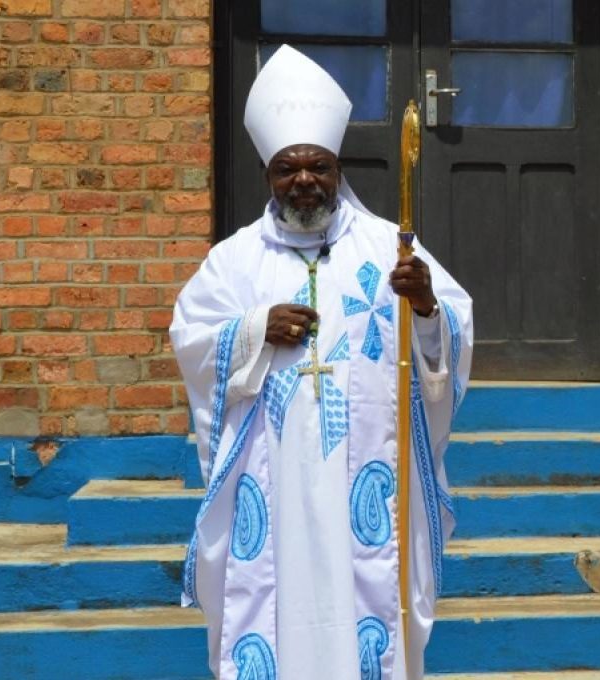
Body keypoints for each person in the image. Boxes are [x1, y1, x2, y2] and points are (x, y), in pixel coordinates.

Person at [169, 45, 473, 680]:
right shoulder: (234, 260)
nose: (304, 180)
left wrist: (425, 306)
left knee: (370, 601)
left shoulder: (388, 246)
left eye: (318, 167)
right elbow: (191, 338)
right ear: (268, 174)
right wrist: (255, 329)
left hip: (368, 473)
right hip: (271, 475)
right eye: (288, 169)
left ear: (338, 171)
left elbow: (450, 331)